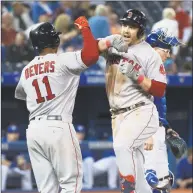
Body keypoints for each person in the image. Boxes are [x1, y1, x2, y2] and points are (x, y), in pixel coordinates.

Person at [14, 16, 124, 193]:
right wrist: (85, 29)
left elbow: (20, 94)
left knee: (47, 189)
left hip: (34, 130)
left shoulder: (26, 70)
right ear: (55, 40)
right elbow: (90, 55)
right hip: (58, 127)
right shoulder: (63, 60)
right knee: (70, 185)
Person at [98, 9, 167, 193]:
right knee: (135, 161)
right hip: (117, 115)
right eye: (125, 25)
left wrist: (139, 78)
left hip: (140, 110)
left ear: (141, 30)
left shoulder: (149, 54)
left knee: (121, 146)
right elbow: (89, 52)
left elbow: (160, 89)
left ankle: (127, 188)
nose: (127, 30)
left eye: (133, 27)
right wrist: (100, 39)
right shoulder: (115, 44)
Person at [144, 28, 183, 193]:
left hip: (157, 125)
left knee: (163, 180)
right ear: (153, 49)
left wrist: (166, 127)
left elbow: (158, 104)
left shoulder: (157, 69)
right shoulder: (144, 69)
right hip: (146, 126)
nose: (168, 55)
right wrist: (147, 130)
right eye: (165, 51)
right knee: (149, 177)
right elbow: (143, 103)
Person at [76, 125, 118, 189]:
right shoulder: (70, 143)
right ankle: (88, 185)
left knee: (113, 160)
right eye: (78, 133)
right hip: (78, 169)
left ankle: (112, 187)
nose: (80, 135)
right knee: (89, 160)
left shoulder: (87, 142)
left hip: (90, 167)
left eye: (82, 133)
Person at [1, 124, 32, 191]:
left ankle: (28, 191)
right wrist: (11, 164)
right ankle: (1, 190)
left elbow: (20, 159)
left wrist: (24, 165)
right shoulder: (2, 142)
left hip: (14, 168)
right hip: (6, 168)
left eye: (15, 133)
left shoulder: (20, 143)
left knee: (26, 170)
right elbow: (1, 160)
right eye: (11, 133)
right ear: (7, 134)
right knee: (3, 168)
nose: (14, 135)